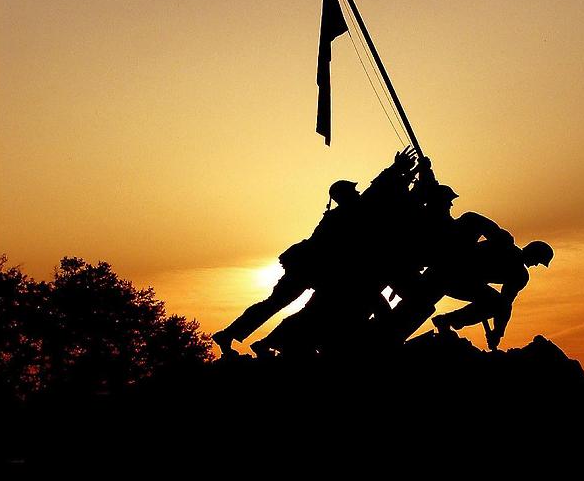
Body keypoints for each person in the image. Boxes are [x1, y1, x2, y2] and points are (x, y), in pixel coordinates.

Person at [212, 148, 418, 357]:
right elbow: (374, 193)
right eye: (353, 191)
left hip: (314, 270)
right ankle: (235, 335)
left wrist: (406, 173)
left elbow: (375, 194)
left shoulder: (344, 213)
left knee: (281, 305)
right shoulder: (344, 215)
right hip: (310, 269)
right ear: (344, 196)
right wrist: (396, 170)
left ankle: (236, 335)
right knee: (279, 304)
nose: (357, 192)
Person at [385, 210, 553, 350]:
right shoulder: (505, 244)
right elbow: (472, 218)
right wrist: (470, 242)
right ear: (533, 252)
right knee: (415, 305)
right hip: (448, 271)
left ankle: (446, 320)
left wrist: (498, 332)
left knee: (495, 303)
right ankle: (390, 332)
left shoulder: (519, 276)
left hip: (462, 283)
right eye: (539, 261)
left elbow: (505, 304)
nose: (536, 265)